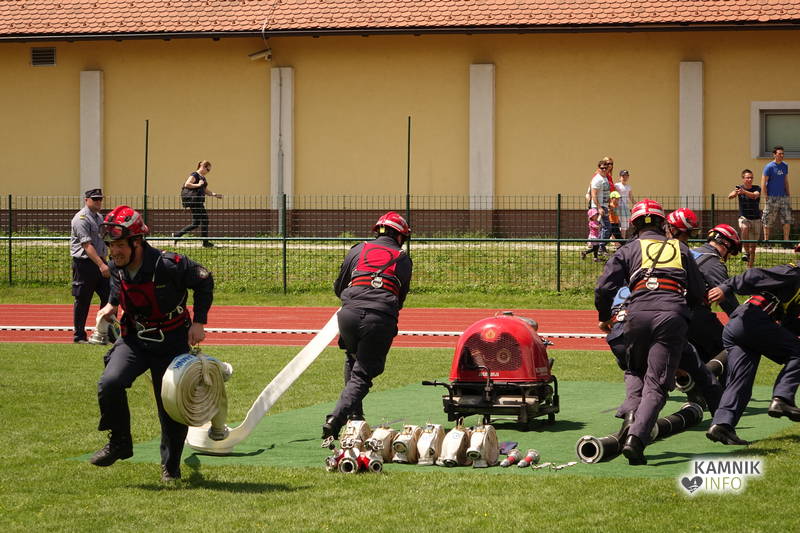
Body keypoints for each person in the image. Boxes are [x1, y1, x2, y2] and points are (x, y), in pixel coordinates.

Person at [89, 205, 214, 482]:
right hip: (134, 339)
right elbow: (117, 286)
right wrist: (111, 304)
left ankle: (171, 467)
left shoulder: (170, 264)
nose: (114, 251)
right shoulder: (116, 265)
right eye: (110, 245)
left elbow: (204, 281)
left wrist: (199, 322)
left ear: (137, 242)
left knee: (170, 406)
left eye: (120, 245)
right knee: (110, 382)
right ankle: (120, 442)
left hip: (172, 342)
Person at [595, 199, 705, 465]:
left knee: (635, 371)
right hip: (670, 316)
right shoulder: (679, 248)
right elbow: (698, 291)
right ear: (662, 223)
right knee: (656, 384)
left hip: (636, 316)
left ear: (634, 225)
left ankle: (630, 419)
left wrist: (605, 317)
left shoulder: (628, 249)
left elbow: (603, 289)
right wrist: (682, 313)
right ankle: (636, 439)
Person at [322, 211, 413, 440]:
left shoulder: (357, 250)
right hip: (379, 318)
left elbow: (339, 287)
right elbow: (400, 298)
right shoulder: (402, 259)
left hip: (348, 315)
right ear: (400, 236)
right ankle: (336, 419)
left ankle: (356, 417)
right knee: (363, 374)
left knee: (352, 358)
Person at [707, 252, 800, 446]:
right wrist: (727, 287)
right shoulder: (794, 272)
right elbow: (754, 275)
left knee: (741, 381)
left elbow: (790, 324)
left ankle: (722, 425)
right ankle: (782, 398)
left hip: (739, 326)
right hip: (753, 320)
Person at [70, 188, 111, 343]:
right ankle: (79, 335)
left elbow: (103, 240)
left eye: (100, 199)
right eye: (95, 199)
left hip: (100, 262)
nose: (98, 202)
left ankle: (104, 332)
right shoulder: (81, 218)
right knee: (83, 299)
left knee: (109, 297)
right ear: (86, 200)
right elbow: (87, 245)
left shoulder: (99, 217)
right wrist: (102, 265)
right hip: (85, 264)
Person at [174, 160, 223, 248]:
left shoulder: (202, 178)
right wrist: (198, 184)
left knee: (196, 223)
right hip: (195, 201)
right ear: (202, 166)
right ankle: (205, 243)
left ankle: (177, 235)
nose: (208, 172)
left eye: (209, 170)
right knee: (205, 220)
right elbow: (187, 184)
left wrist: (215, 195)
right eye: (208, 169)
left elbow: (205, 190)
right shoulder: (195, 175)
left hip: (198, 202)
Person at [728, 169, 761, 267]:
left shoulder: (757, 188)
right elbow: (730, 196)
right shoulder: (739, 188)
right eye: (747, 178)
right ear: (743, 179)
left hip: (756, 219)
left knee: (753, 248)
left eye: (751, 178)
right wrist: (735, 193)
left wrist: (744, 192)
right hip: (744, 217)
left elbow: (754, 196)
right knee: (744, 227)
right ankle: (746, 252)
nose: (750, 179)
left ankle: (750, 268)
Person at [761, 146, 791, 243]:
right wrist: (766, 196)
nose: (781, 155)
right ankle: (766, 242)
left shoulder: (785, 165)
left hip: (783, 197)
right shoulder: (769, 167)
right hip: (771, 197)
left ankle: (786, 242)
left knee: (787, 220)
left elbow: (785, 180)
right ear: (774, 154)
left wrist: (788, 193)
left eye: (782, 154)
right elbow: (763, 182)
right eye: (779, 154)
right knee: (768, 220)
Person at [589, 160, 611, 256]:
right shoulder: (597, 179)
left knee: (605, 228)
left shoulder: (605, 178)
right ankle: (600, 247)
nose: (604, 170)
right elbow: (593, 194)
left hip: (604, 206)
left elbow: (606, 193)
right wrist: (599, 207)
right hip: (598, 207)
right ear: (599, 168)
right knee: (607, 227)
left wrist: (608, 205)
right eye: (602, 168)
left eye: (606, 168)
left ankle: (599, 247)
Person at [615, 169, 635, 237]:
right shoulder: (616, 185)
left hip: (626, 207)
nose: (625, 178)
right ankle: (621, 240)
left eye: (626, 176)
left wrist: (636, 204)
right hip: (618, 207)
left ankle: (621, 239)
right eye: (623, 176)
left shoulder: (629, 187)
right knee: (619, 224)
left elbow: (631, 197)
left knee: (625, 225)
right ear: (620, 177)